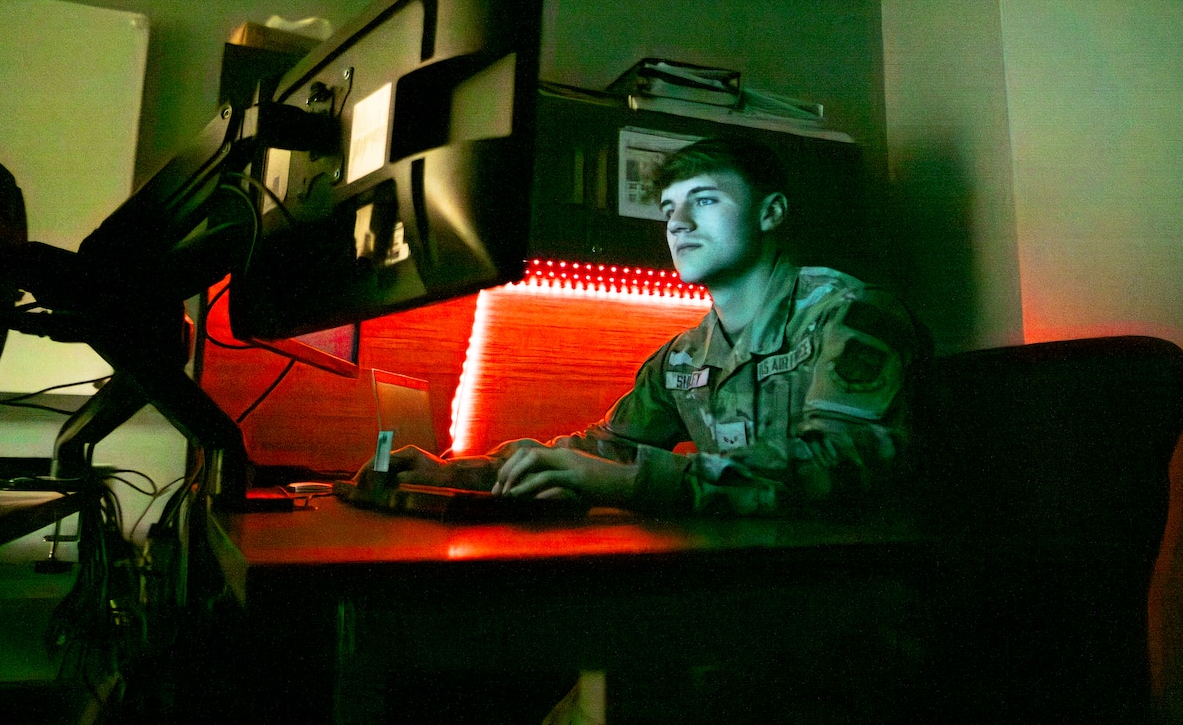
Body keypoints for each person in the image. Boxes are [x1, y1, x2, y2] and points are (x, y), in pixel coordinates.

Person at [382, 135, 921, 518]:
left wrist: (626, 483)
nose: (678, 224)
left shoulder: (851, 313)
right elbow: (600, 451)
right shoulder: (683, 358)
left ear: (770, 213)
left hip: (855, 595)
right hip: (742, 581)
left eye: (704, 201)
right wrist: (454, 474)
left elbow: (840, 467)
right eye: (668, 210)